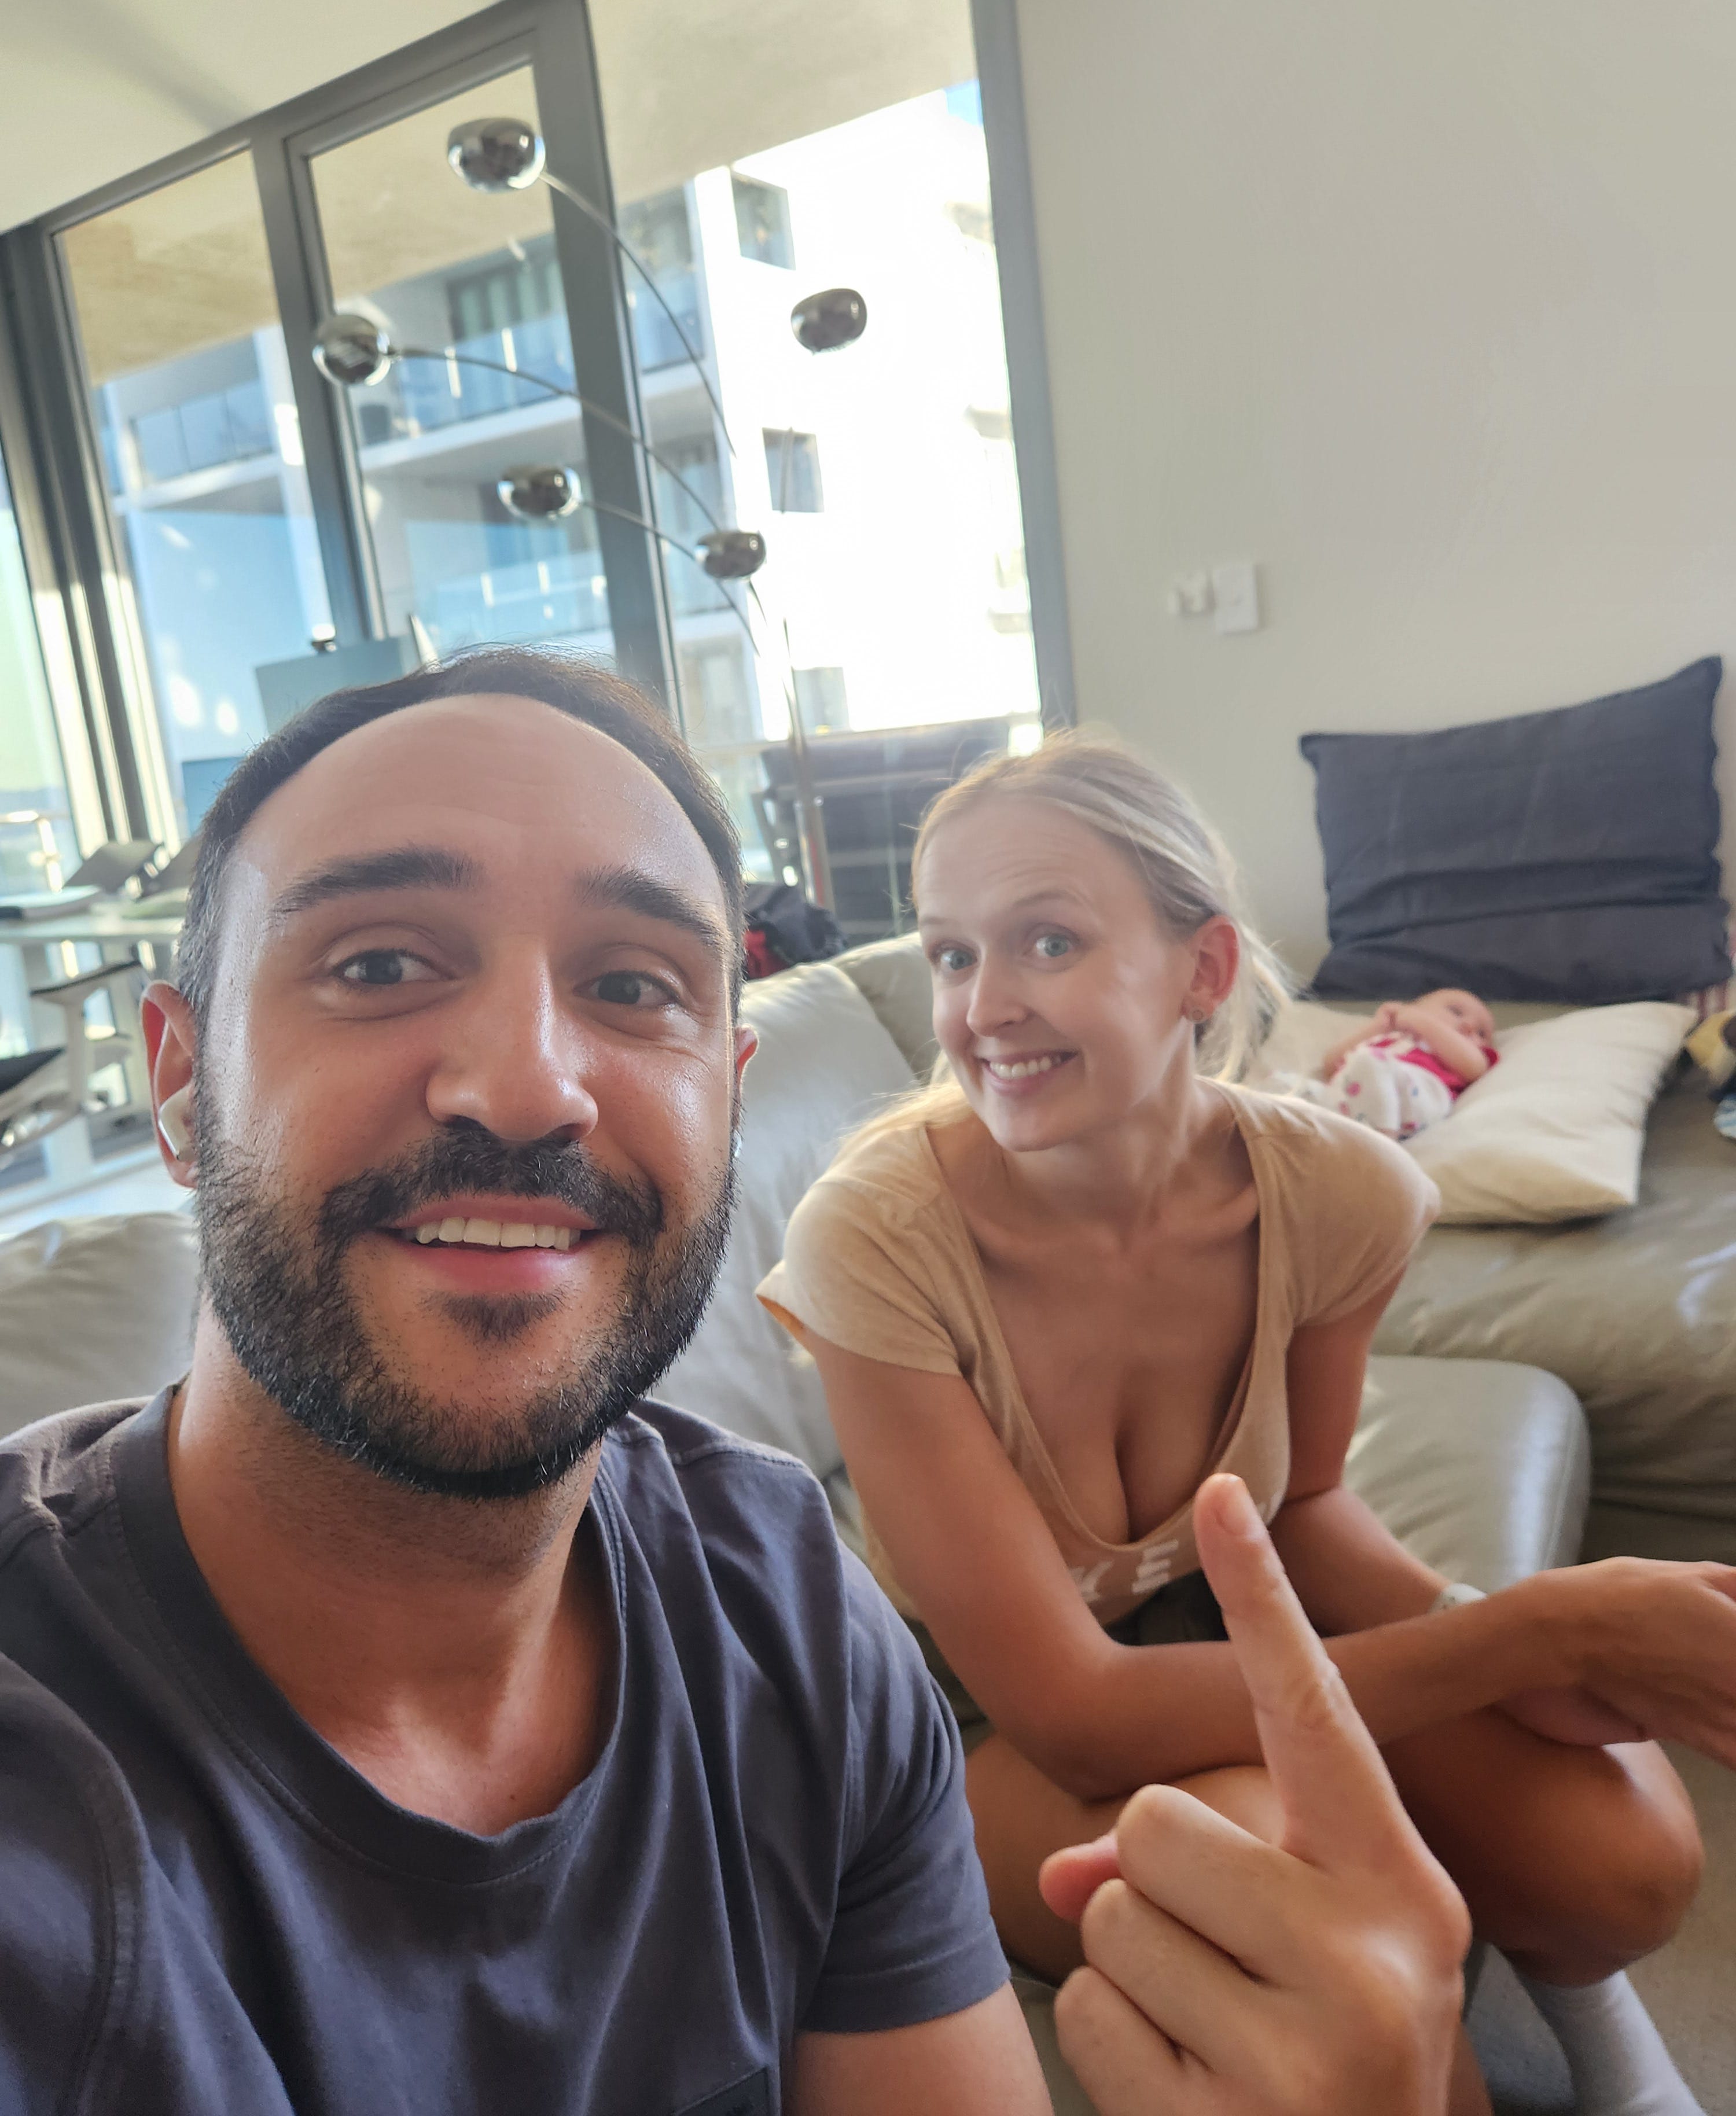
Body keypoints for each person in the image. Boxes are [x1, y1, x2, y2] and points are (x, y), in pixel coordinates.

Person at [0, 653, 1465, 2116]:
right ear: (179, 1080)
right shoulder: (46, 1787)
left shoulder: (790, 1618)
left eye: (632, 985)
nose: (530, 1085)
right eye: (379, 964)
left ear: (730, 1092)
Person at [759, 729, 1727, 2116]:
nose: (982, 1007)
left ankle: (1605, 2047)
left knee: (1623, 1853)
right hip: (967, 1722)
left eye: (1046, 940)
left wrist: (1485, 1653)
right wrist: (1538, 1631)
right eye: (952, 954)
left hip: (1217, 1614)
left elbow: (1306, 1507)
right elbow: (1076, 1717)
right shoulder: (873, 1237)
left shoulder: (1340, 1192)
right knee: (1294, 1891)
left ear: (1202, 969)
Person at [1295, 989, 1499, 1140]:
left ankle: (1381, 1142)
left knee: (1370, 1061)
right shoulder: (1387, 1038)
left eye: (1482, 1033)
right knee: (1295, 1088)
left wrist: (1421, 1022)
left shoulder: (1461, 1053)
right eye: (1456, 1011)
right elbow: (1331, 1065)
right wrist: (1377, 1028)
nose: (1469, 1025)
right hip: (1351, 1101)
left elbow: (1475, 1068)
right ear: (1415, 1006)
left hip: (1417, 1096)